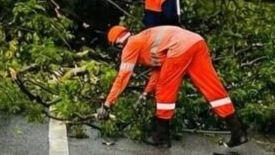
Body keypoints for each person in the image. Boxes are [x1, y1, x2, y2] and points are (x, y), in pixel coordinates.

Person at [96, 25, 247, 148]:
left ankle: (160, 135)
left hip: (179, 47)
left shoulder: (131, 45)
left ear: (118, 44)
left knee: (164, 89)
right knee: (212, 87)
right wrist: (145, 93)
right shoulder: (144, 40)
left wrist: (108, 104)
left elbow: (123, 77)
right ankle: (237, 132)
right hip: (196, 41)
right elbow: (159, 69)